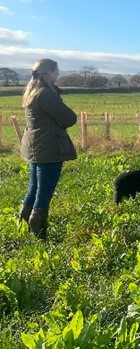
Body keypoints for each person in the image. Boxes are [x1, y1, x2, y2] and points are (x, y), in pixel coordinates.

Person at [19, 59, 77, 239]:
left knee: (33, 189)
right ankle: (39, 233)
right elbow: (69, 118)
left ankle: (23, 226)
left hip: (36, 146)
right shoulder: (45, 94)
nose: (58, 74)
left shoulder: (32, 91)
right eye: (56, 71)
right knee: (44, 193)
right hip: (49, 147)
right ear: (49, 73)